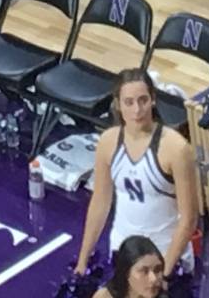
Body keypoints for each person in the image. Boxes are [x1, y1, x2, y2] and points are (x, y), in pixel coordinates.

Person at [75, 68, 200, 279]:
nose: (137, 110)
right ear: (117, 104)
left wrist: (164, 274)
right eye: (129, 102)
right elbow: (100, 203)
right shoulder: (107, 142)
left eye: (143, 100)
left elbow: (189, 219)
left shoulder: (176, 148)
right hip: (123, 256)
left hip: (164, 258)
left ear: (153, 100)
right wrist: (82, 260)